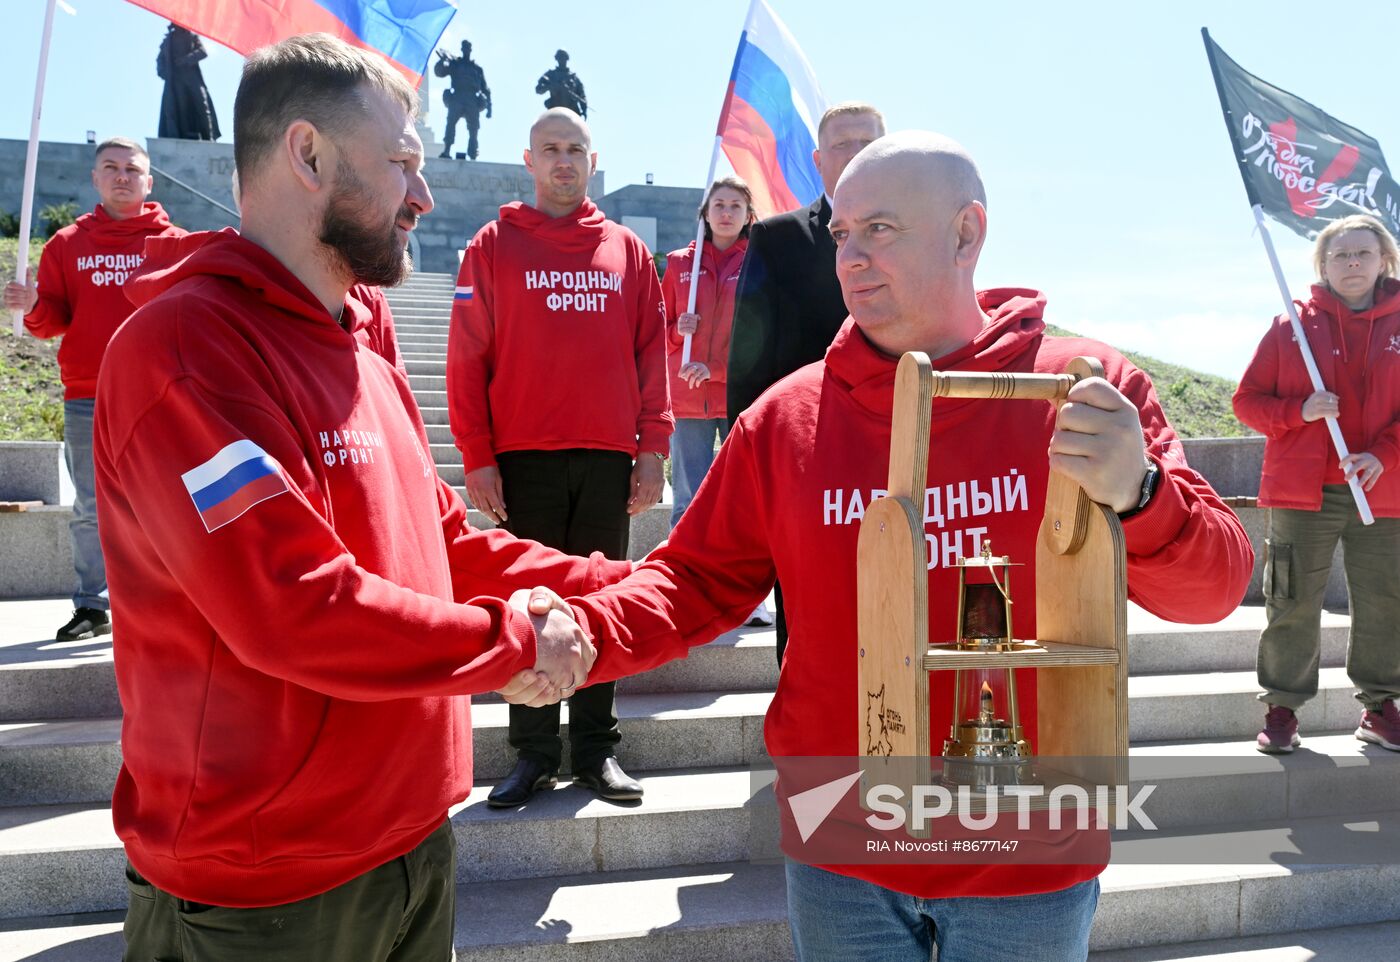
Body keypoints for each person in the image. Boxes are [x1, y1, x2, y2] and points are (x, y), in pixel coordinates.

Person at [548, 131, 1254, 961]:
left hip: (1028, 853)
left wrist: (1140, 492)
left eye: (880, 229)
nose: (850, 258)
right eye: (842, 233)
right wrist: (583, 631)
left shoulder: (1082, 391)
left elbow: (1213, 587)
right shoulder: (786, 418)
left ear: (966, 233)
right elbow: (692, 579)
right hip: (842, 849)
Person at [93, 34, 623, 960]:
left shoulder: (363, 356)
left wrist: (622, 585)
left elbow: (445, 543)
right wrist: (513, 644)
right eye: (403, 164)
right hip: (267, 893)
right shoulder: (184, 352)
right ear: (308, 154)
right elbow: (295, 607)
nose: (424, 195)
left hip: (414, 845)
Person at [448, 107, 671, 807]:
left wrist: (654, 447)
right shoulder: (491, 245)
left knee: (601, 601)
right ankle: (534, 753)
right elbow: (467, 357)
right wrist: (477, 456)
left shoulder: (627, 250)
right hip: (523, 455)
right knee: (532, 607)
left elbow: (652, 354)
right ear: (530, 160)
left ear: (593, 161)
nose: (564, 160)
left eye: (575, 148)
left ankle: (598, 749)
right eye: (551, 149)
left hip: (607, 456)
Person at [3, 137, 185, 642]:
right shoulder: (67, 244)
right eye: (111, 167)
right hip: (88, 395)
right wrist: (32, 304)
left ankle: (166, 602)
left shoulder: (173, 244)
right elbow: (52, 322)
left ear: (149, 181)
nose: (122, 176)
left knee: (163, 501)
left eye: (132, 168)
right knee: (91, 506)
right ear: (95, 178)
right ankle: (92, 605)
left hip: (156, 395)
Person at [1233, 213, 1400, 755]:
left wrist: (1384, 454)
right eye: (1340, 254)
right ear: (1322, 265)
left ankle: (1380, 707)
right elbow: (1247, 402)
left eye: (1363, 253)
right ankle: (1282, 709)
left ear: (1384, 260)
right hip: (1302, 492)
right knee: (1291, 599)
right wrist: (1299, 411)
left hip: (1384, 490)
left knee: (1386, 601)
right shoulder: (1292, 327)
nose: (1352, 263)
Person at [728, 102, 886, 659]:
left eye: (869, 143)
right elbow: (748, 360)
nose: (857, 154)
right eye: (843, 145)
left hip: (898, 457)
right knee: (806, 626)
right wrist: (750, 461)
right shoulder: (777, 239)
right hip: (809, 460)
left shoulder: (921, 236)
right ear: (818, 161)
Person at [663, 176, 754, 525]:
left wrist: (713, 369)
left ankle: (736, 558)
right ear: (705, 213)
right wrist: (677, 331)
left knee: (740, 495)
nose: (726, 213)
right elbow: (656, 333)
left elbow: (759, 339)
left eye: (735, 206)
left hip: (738, 396)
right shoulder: (679, 264)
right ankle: (682, 557)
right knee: (689, 500)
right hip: (688, 397)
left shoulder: (758, 263)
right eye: (719, 205)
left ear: (748, 215)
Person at [156, 23, 221, 141]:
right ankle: (184, 136)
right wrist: (163, 72)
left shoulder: (192, 37)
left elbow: (203, 52)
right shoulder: (168, 40)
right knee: (181, 108)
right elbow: (160, 59)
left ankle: (209, 137)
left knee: (202, 104)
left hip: (192, 77)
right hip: (176, 80)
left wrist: (186, 59)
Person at [433, 39, 491, 160]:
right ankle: (447, 150)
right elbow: (439, 72)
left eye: (468, 48)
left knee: (473, 129)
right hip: (457, 97)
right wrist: (442, 60)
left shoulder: (477, 69)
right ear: (462, 49)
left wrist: (489, 107)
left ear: (470, 50)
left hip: (472, 99)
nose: (466, 50)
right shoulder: (455, 64)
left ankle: (472, 153)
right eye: (464, 48)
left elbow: (485, 88)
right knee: (450, 124)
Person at [535, 49, 587, 117]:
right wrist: (550, 86)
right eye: (560, 57)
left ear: (567, 59)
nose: (562, 59)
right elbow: (538, 90)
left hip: (572, 113)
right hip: (555, 112)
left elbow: (582, 96)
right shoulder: (551, 74)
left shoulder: (574, 78)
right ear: (556, 59)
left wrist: (584, 109)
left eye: (563, 57)